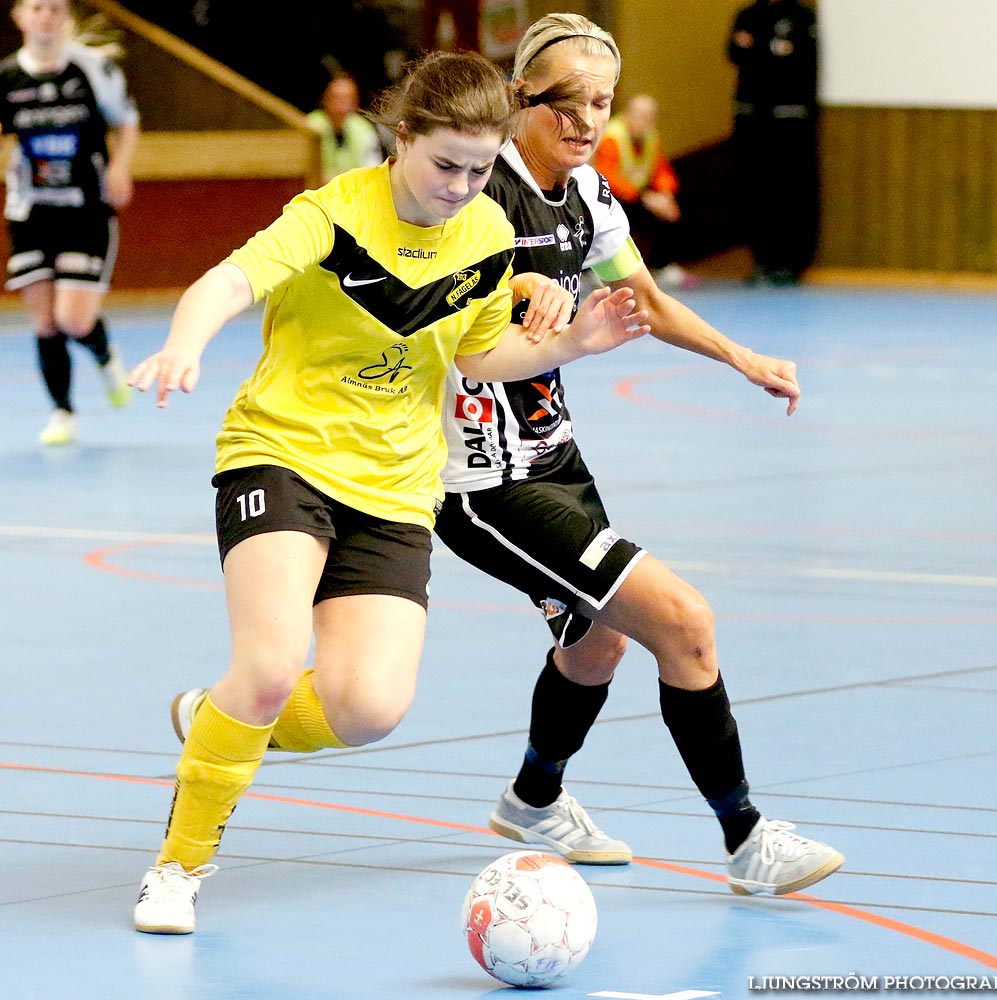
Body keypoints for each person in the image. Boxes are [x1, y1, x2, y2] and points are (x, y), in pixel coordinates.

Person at [127, 49, 648, 935]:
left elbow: (479, 355)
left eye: (480, 169)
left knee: (367, 708)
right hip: (284, 453)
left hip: (398, 485)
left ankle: (216, 722)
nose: (460, 185)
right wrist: (186, 340)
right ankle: (177, 867)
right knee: (264, 666)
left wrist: (575, 346)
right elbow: (228, 281)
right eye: (444, 163)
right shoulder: (332, 215)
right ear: (400, 138)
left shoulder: (484, 232)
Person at [431, 12, 843, 896]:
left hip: (554, 460)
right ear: (518, 99)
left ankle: (533, 799)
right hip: (483, 482)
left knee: (596, 646)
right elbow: (436, 285)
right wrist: (519, 290)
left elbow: (645, 300)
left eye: (601, 104)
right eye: (565, 104)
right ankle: (747, 840)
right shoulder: (471, 190)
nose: (585, 122)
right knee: (682, 623)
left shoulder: (587, 196)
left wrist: (742, 357)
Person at [1, 0, 138, 445]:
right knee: (44, 321)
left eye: (56, 9)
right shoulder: (7, 77)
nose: (46, 16)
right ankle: (63, 412)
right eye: (37, 8)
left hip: (85, 209)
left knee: (73, 320)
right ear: (20, 17)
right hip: (31, 211)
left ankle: (103, 353)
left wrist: (120, 167)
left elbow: (127, 122)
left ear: (67, 19)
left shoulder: (93, 70)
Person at [727, 0, 819, 286]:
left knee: (789, 192)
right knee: (755, 191)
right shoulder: (748, 14)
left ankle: (789, 262)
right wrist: (769, 52)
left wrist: (759, 51)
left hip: (790, 123)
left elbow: (800, 61)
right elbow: (733, 52)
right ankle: (762, 260)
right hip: (752, 120)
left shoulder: (802, 17)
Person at [593, 93, 687, 287]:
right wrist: (645, 197)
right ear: (627, 114)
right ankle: (596, 269)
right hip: (611, 198)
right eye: (639, 115)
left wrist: (665, 194)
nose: (644, 121)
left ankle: (662, 266)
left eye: (649, 117)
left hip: (640, 197)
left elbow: (661, 170)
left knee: (670, 209)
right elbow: (607, 176)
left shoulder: (651, 138)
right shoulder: (612, 136)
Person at [306, 73, 384, 184]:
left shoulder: (364, 129)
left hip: (354, 193)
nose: (341, 104)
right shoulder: (310, 126)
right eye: (336, 97)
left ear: (356, 103)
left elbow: (373, 170)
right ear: (325, 99)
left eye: (347, 99)